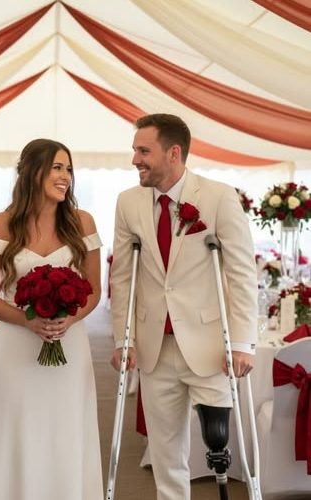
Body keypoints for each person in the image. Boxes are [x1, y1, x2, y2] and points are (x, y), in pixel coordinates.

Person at [110, 114, 257, 499]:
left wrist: (243, 342)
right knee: (166, 456)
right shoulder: (128, 203)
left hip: (210, 345)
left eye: (144, 151)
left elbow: (241, 272)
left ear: (173, 153)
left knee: (218, 446)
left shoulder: (218, 197)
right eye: (135, 150)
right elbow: (122, 278)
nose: (135, 160)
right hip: (154, 347)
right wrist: (123, 340)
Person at [0, 138, 103, 500]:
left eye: (68, 169)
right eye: (57, 167)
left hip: (70, 347)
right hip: (17, 348)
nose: (65, 176)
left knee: (64, 428)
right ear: (33, 172)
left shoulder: (82, 222)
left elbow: (94, 290)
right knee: (16, 428)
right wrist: (27, 320)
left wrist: (70, 319)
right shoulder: (0, 224)